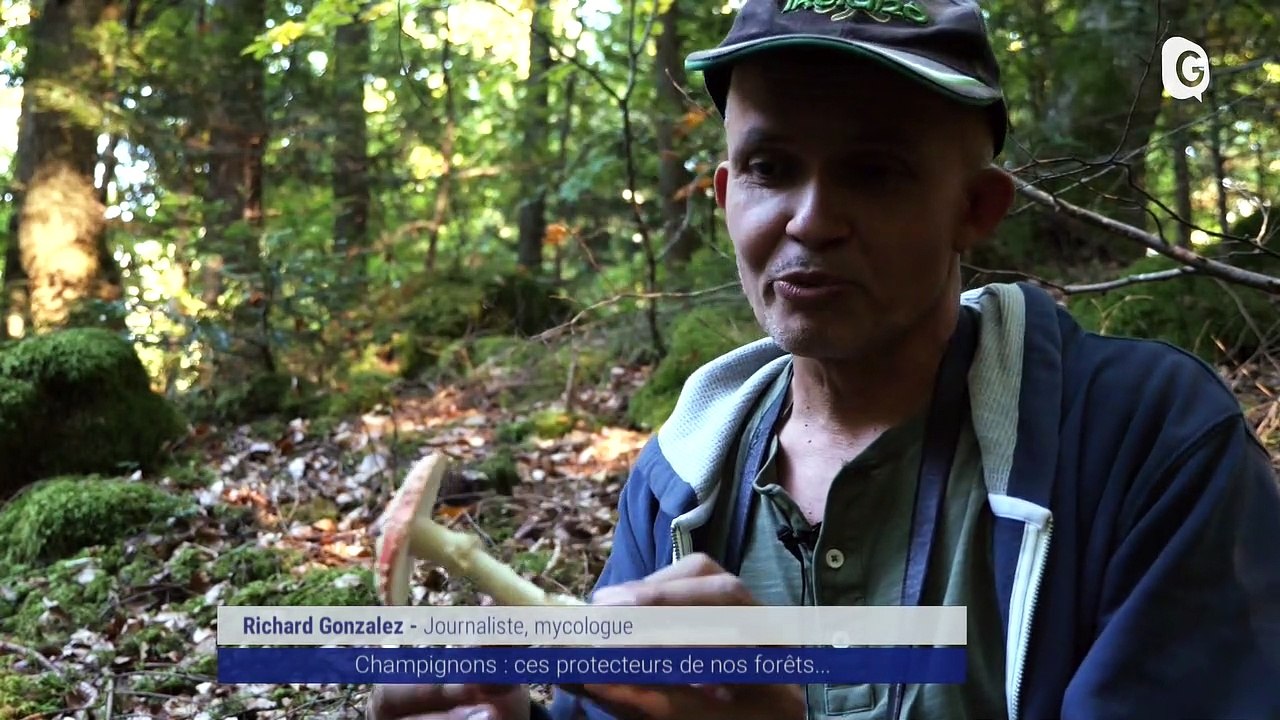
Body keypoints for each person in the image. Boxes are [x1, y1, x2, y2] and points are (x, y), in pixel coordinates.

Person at [368, 1, 1280, 718]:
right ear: (726, 197)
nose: (810, 220)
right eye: (769, 167)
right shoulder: (681, 481)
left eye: (875, 171)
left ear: (977, 209)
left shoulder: (1144, 445)